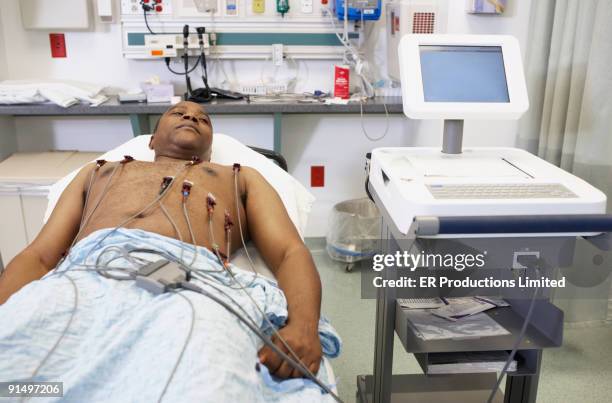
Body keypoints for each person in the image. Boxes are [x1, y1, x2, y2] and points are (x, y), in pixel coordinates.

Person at [0, 101, 323, 379]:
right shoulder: (99, 172)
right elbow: (39, 255)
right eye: (178, 113)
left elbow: (289, 252)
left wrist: (304, 326)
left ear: (210, 146)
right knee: (19, 358)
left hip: (191, 285)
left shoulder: (239, 176)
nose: (192, 118)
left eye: (203, 119)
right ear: (151, 140)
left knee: (201, 372)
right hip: (87, 275)